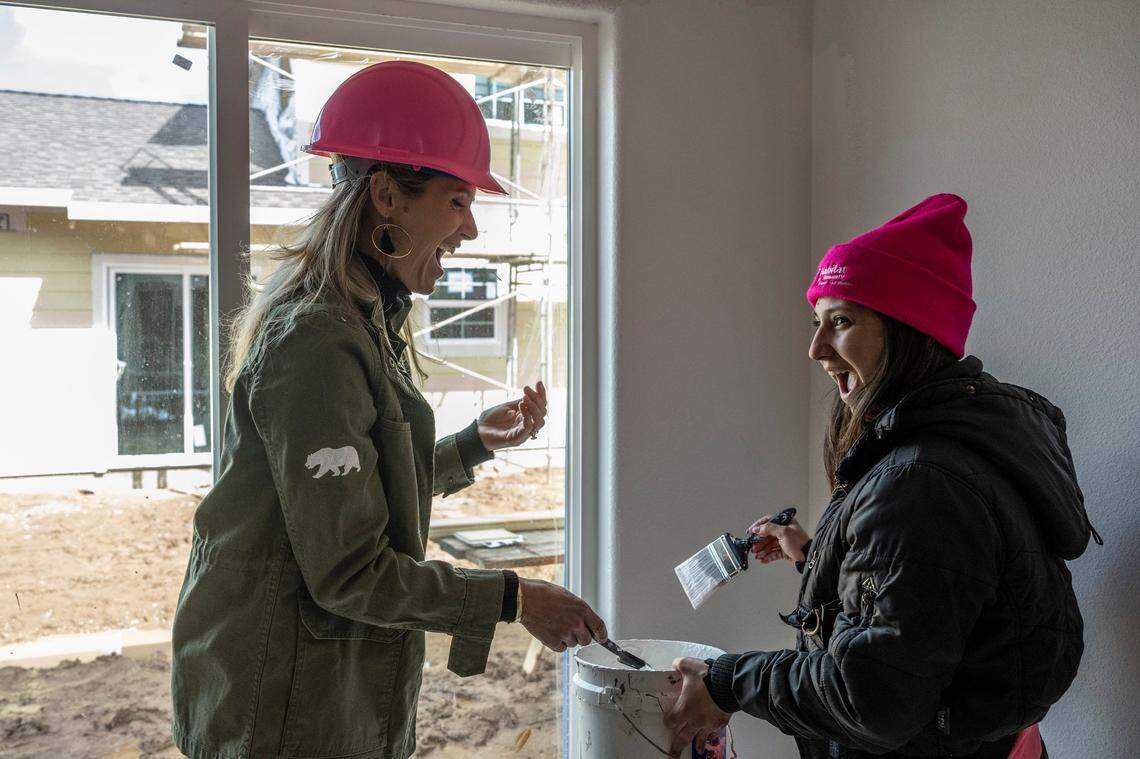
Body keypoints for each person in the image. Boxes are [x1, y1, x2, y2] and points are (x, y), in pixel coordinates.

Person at [171, 61, 606, 759]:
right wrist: (517, 597)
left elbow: (357, 491)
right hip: (278, 702)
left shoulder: (362, 317)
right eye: (458, 200)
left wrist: (472, 445)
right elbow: (349, 568)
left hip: (318, 684)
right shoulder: (317, 340)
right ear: (385, 196)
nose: (469, 228)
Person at [665, 194, 1098, 758]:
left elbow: (873, 698)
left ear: (908, 328)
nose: (817, 349)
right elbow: (926, 600)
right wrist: (817, 553)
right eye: (817, 323)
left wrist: (728, 682)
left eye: (840, 322)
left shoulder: (923, 482)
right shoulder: (956, 446)